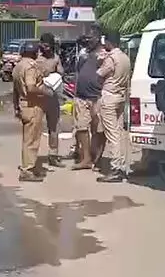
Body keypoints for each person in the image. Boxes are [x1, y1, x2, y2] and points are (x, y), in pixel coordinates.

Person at [95, 32, 132, 182]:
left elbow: (100, 74)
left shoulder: (111, 58)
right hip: (121, 96)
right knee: (119, 132)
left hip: (110, 96)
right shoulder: (125, 58)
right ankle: (122, 165)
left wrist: (100, 60)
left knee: (112, 134)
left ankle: (116, 167)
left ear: (110, 43)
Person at [12, 40, 48, 182]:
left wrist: (16, 106)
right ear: (34, 52)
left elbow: (15, 90)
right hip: (33, 106)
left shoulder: (18, 66)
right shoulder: (30, 67)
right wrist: (45, 91)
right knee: (32, 140)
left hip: (23, 105)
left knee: (27, 139)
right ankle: (27, 170)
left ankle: (30, 166)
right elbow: (31, 87)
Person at [71, 34, 104, 170]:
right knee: (81, 127)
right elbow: (78, 72)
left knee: (99, 130)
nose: (88, 41)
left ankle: (97, 158)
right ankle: (86, 159)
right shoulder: (84, 54)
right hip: (81, 96)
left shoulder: (104, 55)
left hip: (97, 97)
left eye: (91, 38)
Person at [36, 33, 65, 168]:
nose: (46, 48)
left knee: (54, 127)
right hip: (38, 97)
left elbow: (61, 72)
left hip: (53, 97)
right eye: (44, 45)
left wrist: (56, 73)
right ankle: (32, 156)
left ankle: (53, 154)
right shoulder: (36, 58)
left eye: (49, 46)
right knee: (35, 126)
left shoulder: (56, 58)